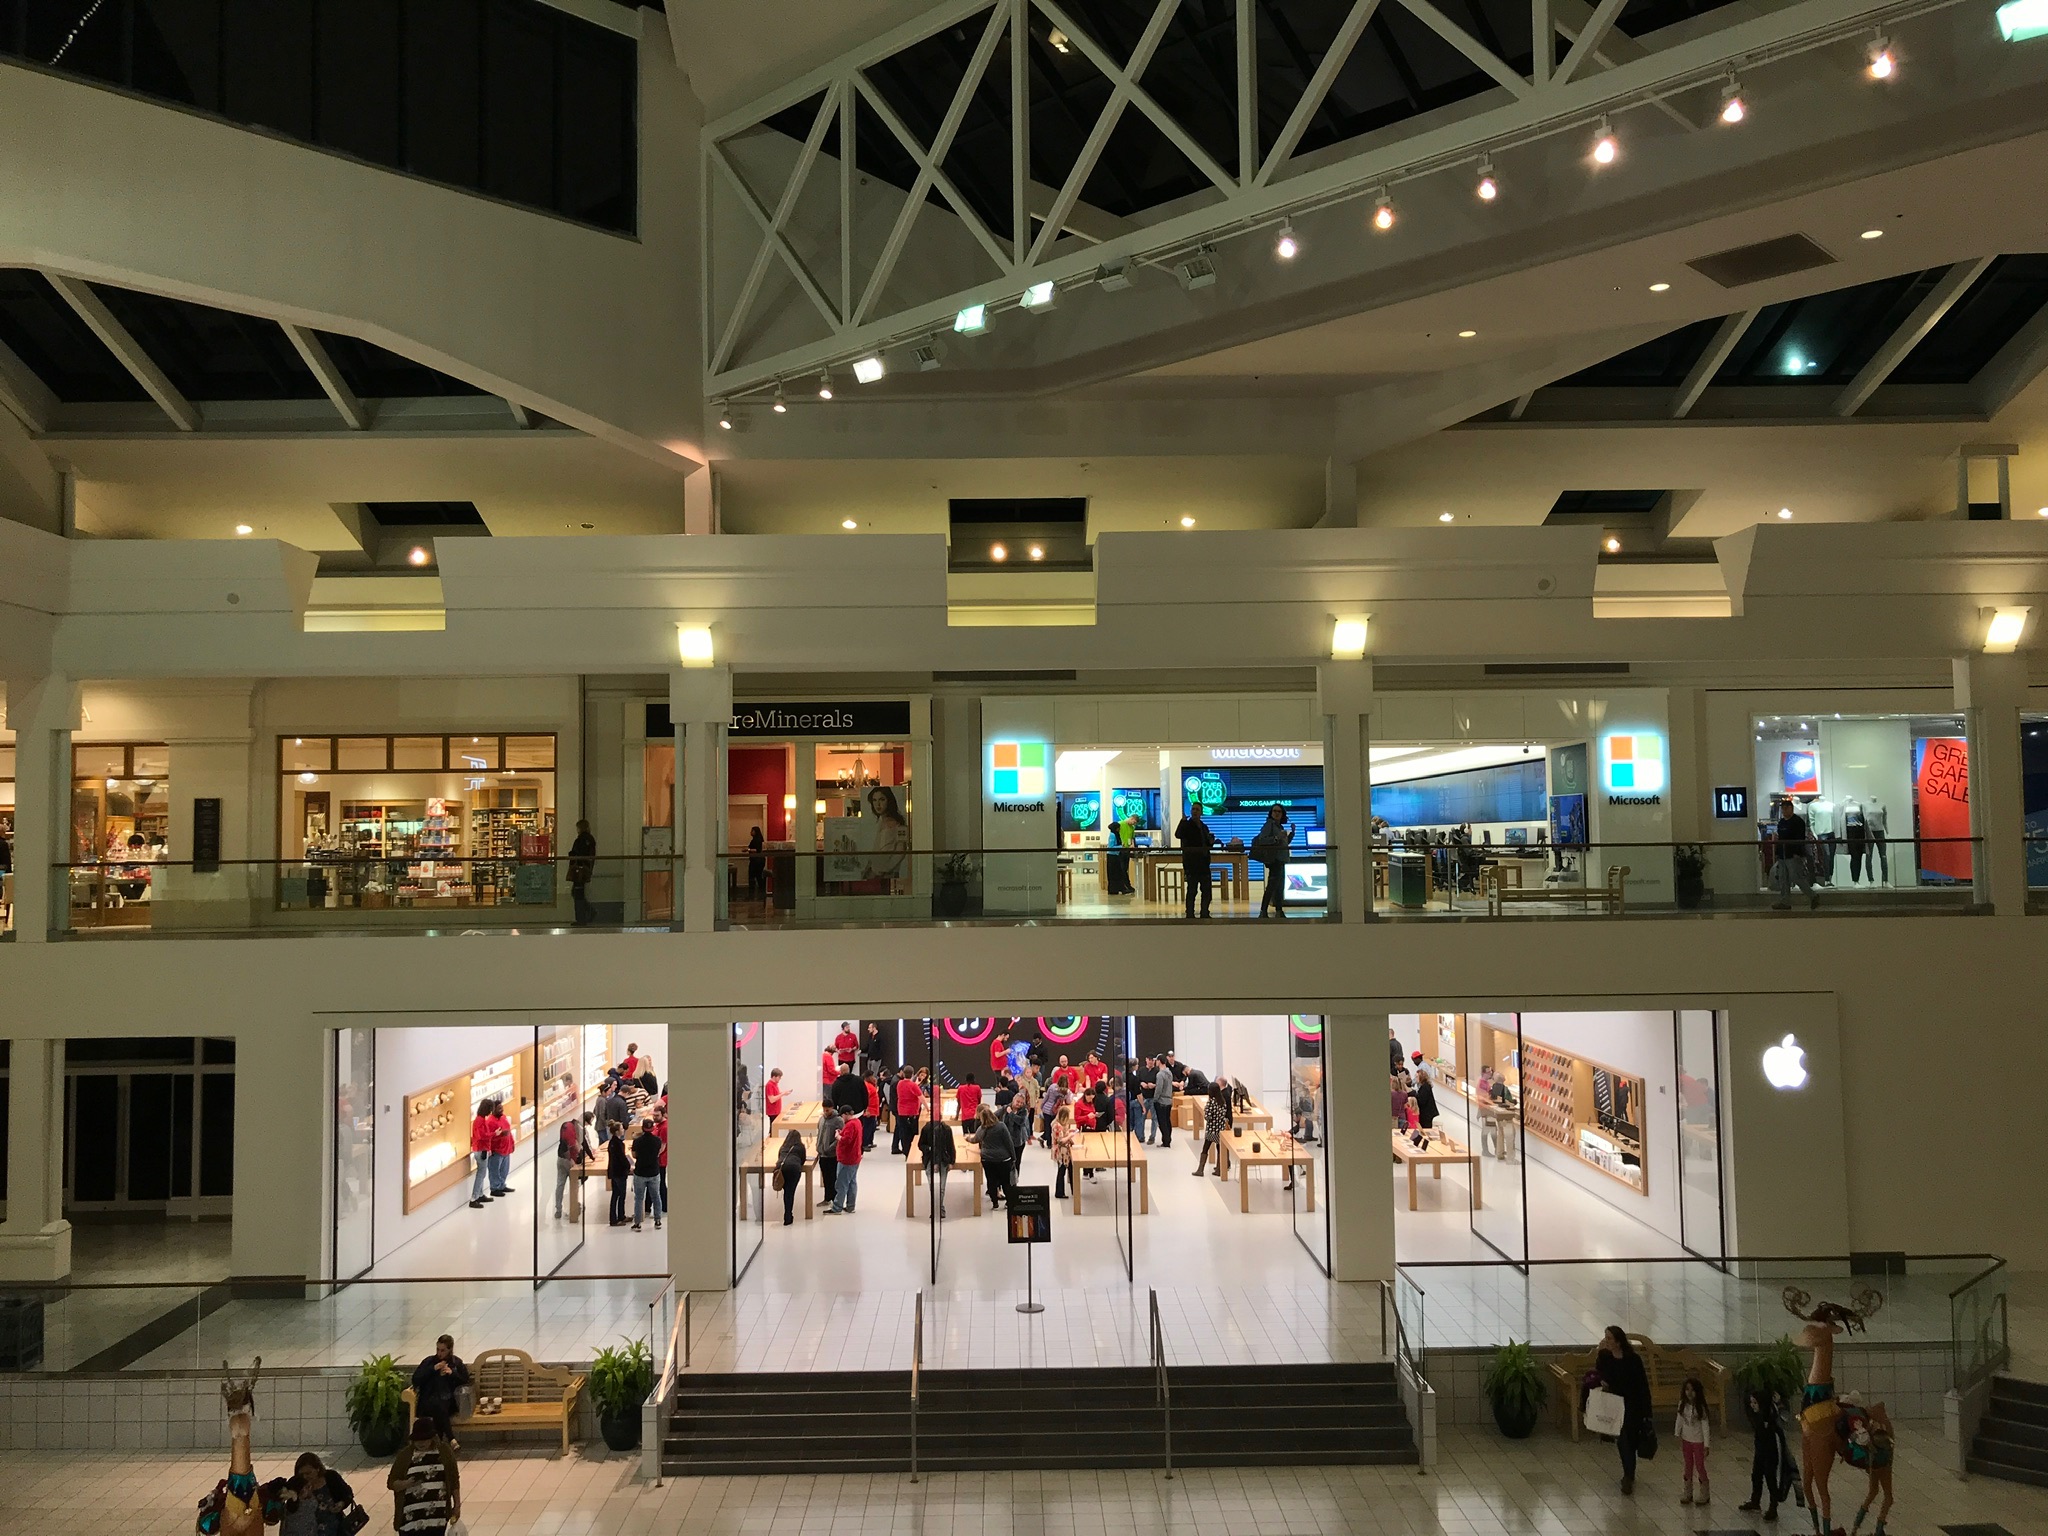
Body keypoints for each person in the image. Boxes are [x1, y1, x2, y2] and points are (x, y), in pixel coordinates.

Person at [1596, 1325, 1653, 1494]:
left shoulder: (1633, 1360)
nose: (1606, 1342)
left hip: (1632, 1405)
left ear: (1618, 1341)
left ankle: (1629, 1473)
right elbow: (1599, 1374)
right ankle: (1628, 1475)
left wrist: (1647, 1411)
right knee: (1623, 1440)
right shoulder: (1605, 1357)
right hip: (1614, 1405)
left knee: (1630, 1439)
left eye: (1609, 1339)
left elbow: (1642, 1385)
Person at [387, 1419, 460, 1536]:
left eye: (424, 1439)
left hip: (437, 1516)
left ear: (432, 1437)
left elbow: (454, 1480)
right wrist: (406, 1483)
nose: (421, 1443)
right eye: (417, 1440)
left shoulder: (444, 1452)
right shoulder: (404, 1456)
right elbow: (391, 1483)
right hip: (410, 1516)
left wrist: (457, 1505)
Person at [1739, 1388, 1798, 1518]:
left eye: (1754, 1403)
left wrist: (1778, 1403)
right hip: (1760, 1449)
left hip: (1771, 1451)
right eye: (1751, 1402)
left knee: (1770, 1478)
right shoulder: (1756, 1415)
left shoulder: (1770, 1417)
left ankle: (1773, 1506)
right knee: (1756, 1475)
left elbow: (1783, 1417)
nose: (1752, 1405)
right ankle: (1755, 1500)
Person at [410, 1336, 469, 1445]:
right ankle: (450, 1439)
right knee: (438, 1406)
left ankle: (441, 1443)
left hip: (449, 1402)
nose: (439, 1353)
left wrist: (452, 1374)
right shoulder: (429, 1362)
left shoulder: (456, 1363)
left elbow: (465, 1380)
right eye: (437, 1349)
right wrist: (433, 1369)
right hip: (428, 1402)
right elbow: (416, 1379)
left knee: (439, 1407)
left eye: (443, 1350)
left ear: (450, 1350)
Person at [280, 1453, 355, 1536]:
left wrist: (341, 1503)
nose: (305, 1477)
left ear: (318, 1469)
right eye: (301, 1474)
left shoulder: (331, 1477)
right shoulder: (297, 1484)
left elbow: (347, 1493)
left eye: (308, 1473)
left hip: (335, 1528)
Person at [1770, 800, 1820, 911]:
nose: (1784, 811)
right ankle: (1785, 901)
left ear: (1791, 808)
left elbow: (1799, 839)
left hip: (1793, 855)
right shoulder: (1782, 822)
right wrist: (1778, 853)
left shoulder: (1798, 822)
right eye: (1783, 808)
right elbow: (1780, 839)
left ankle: (1812, 896)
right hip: (1783, 855)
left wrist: (1798, 853)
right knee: (1783, 879)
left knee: (1796, 877)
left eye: (1786, 808)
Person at [1174, 798, 1217, 918]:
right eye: (1193, 809)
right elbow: (1178, 835)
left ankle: (1204, 912)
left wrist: (1211, 842)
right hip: (1192, 862)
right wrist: (1182, 821)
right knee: (1192, 889)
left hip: (1204, 862)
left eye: (1197, 809)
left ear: (1201, 812)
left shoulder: (1204, 827)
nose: (1195, 811)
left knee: (1206, 890)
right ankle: (1190, 913)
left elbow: (1206, 844)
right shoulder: (1187, 825)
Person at [1252, 802, 1293, 917]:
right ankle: (1263, 910)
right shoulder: (1269, 825)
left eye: (1279, 811)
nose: (1276, 813)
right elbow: (1262, 840)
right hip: (1275, 860)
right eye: (1274, 811)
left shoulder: (1279, 827)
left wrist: (1291, 834)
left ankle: (1279, 911)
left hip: (1281, 860)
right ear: (1270, 813)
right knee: (1272, 886)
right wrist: (1276, 837)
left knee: (1279, 887)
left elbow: (1284, 844)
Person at [1677, 1375, 1712, 1505]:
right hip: (1686, 1440)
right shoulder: (1682, 1405)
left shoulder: (1700, 1408)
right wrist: (1677, 1433)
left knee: (1699, 1465)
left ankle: (1704, 1492)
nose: (1689, 1393)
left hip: (1698, 1441)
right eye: (1687, 1389)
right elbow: (1679, 1419)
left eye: (1692, 1390)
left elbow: (1705, 1427)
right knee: (1688, 1465)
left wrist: (1706, 1445)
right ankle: (1688, 1491)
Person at [554, 1110, 594, 1220]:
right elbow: (578, 1146)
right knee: (575, 1184)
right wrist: (590, 1157)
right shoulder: (579, 1130)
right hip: (571, 1161)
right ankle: (572, 1207)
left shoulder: (566, 1125)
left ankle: (558, 1209)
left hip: (560, 1159)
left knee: (560, 1184)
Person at [977, 1103, 1016, 1209]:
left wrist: (967, 1139)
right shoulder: (1001, 1126)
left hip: (987, 1159)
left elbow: (976, 1138)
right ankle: (1009, 1202)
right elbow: (1009, 1143)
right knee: (1005, 1181)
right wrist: (1013, 1157)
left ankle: (995, 1202)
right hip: (1003, 1159)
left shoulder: (983, 1128)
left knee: (991, 1181)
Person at [919, 1113, 957, 1217]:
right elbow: (921, 1144)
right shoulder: (926, 1129)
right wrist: (929, 1150)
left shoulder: (946, 1130)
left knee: (941, 1187)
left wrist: (951, 1162)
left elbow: (950, 1146)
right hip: (930, 1159)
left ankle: (939, 1208)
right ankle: (937, 1208)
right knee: (933, 1187)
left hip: (943, 1160)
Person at [630, 1116, 663, 1231]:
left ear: (642, 1128)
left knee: (639, 1198)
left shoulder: (637, 1141)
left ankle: (638, 1223)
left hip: (640, 1172)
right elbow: (658, 1152)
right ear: (653, 1128)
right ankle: (658, 1220)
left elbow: (634, 1155)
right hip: (654, 1172)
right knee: (656, 1196)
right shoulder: (657, 1141)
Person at [1195, 1078, 1233, 1176]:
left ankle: (1200, 1170)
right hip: (1220, 1130)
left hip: (1211, 1130)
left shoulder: (1211, 1102)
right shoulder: (1223, 1101)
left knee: (1205, 1149)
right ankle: (1219, 1169)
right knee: (1219, 1149)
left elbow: (1207, 1117)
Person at [832, 1106, 863, 1213]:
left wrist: (837, 1136)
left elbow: (846, 1140)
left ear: (845, 1114)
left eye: (842, 1116)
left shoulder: (850, 1125)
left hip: (847, 1159)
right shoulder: (857, 1122)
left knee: (842, 1184)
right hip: (855, 1157)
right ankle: (850, 1206)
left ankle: (837, 1207)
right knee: (852, 1183)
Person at [568, 817, 597, 926]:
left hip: (578, 870)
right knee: (577, 893)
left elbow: (576, 854)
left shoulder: (580, 840)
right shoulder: (590, 840)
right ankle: (588, 912)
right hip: (586, 869)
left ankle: (581, 918)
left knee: (577, 893)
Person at [774, 1128, 807, 1226]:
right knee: (790, 1192)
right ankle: (788, 1215)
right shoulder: (800, 1147)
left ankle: (787, 1214)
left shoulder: (783, 1147)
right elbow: (803, 1160)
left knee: (786, 1192)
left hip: (781, 1167)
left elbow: (779, 1157)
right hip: (793, 1168)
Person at [466, 1098, 494, 1208]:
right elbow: (481, 1136)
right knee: (481, 1174)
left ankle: (480, 1194)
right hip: (480, 1150)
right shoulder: (479, 1121)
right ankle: (474, 1198)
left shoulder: (481, 1120)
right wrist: (493, 1133)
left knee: (482, 1173)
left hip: (483, 1149)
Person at [816, 1105, 843, 1209]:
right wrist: (818, 1147)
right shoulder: (822, 1119)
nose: (825, 1112)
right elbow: (820, 1134)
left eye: (827, 1110)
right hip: (822, 1154)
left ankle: (835, 1200)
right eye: (824, 1110)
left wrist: (830, 1148)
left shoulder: (838, 1120)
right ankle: (827, 1198)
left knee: (833, 1178)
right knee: (826, 1178)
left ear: (832, 1108)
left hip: (832, 1155)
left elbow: (840, 1137)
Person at [487, 1098, 514, 1197]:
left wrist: (512, 1143)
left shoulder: (504, 1118)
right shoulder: (490, 1122)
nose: (501, 1110)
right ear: (493, 1110)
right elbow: (488, 1137)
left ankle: (502, 1185)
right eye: (499, 1109)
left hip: (506, 1149)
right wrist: (500, 1134)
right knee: (494, 1170)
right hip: (496, 1150)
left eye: (502, 1108)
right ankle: (494, 1188)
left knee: (504, 1169)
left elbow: (509, 1131)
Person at [605, 1119, 631, 1225]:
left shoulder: (612, 1142)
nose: (623, 1130)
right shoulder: (618, 1144)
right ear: (616, 1131)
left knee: (617, 1195)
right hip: (619, 1172)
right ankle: (615, 1219)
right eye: (621, 1128)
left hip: (614, 1171)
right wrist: (629, 1166)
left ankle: (621, 1216)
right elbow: (621, 1158)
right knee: (619, 1195)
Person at [893, 1070, 923, 1155]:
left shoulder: (900, 1083)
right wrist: (928, 1108)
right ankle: (912, 1152)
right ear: (913, 1074)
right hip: (912, 1112)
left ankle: (906, 1151)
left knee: (904, 1133)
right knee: (912, 1133)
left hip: (901, 1112)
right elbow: (921, 1097)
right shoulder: (913, 1085)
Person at [1051, 1104, 1078, 1200]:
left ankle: (1074, 1190)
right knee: (1061, 1171)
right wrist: (1070, 1136)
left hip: (1065, 1151)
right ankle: (1059, 1192)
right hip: (1061, 1152)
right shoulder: (1057, 1126)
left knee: (1070, 1169)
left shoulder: (1061, 1125)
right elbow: (1060, 1140)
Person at [1153, 1058, 1175, 1147]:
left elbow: (1159, 1088)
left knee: (1162, 1122)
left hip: (1161, 1101)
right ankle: (1168, 1139)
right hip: (1169, 1100)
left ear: (1159, 1061)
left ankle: (1165, 1141)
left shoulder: (1160, 1075)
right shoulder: (1169, 1073)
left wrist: (1155, 1098)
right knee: (1167, 1121)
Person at [1413, 1065, 1439, 1131]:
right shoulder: (1425, 1086)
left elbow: (1422, 1100)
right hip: (1427, 1113)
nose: (1416, 1078)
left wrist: (1415, 1096)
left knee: (1426, 1129)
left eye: (1416, 1077)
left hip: (1427, 1113)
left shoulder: (1425, 1087)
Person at [745, 825, 766, 901]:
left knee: (752, 877)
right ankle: (761, 895)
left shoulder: (756, 840)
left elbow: (757, 850)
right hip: (759, 861)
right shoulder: (759, 839)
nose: (751, 832)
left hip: (756, 861)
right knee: (759, 877)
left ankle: (752, 895)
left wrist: (748, 850)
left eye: (752, 830)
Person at [765, 1067, 785, 1132]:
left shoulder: (775, 1084)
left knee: (774, 1129)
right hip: (773, 1111)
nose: (780, 1079)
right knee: (773, 1130)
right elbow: (772, 1099)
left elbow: (776, 1095)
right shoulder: (769, 1085)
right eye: (779, 1077)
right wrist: (782, 1094)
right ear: (774, 1076)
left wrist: (783, 1093)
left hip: (776, 1111)